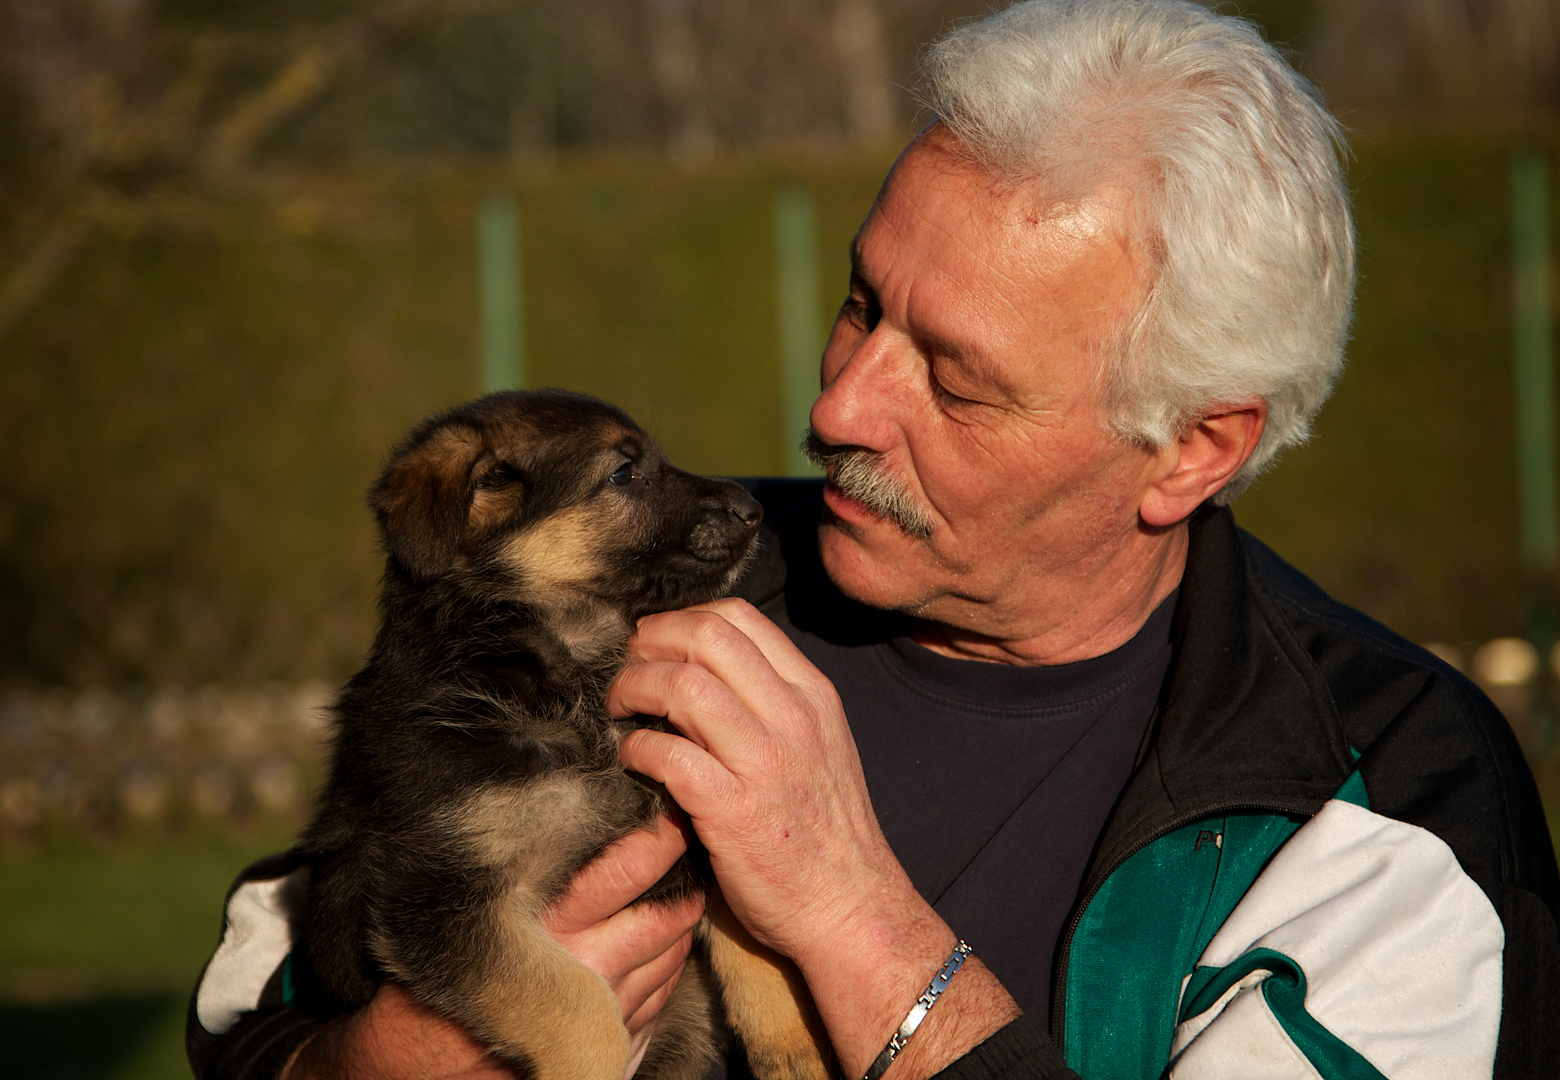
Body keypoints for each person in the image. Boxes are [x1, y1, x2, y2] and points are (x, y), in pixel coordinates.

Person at [188, 2, 1560, 1078]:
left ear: (1192, 447)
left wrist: (857, 924)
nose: (837, 403)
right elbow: (271, 960)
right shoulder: (665, 578)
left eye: (956, 379)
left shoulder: (1377, 806)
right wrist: (369, 1065)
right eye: (862, 304)